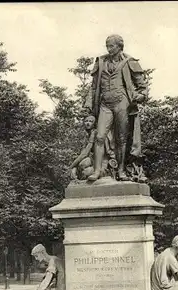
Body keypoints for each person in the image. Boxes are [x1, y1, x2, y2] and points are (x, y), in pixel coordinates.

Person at [85, 34, 148, 182]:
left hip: (122, 103)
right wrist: (88, 104)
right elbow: (93, 87)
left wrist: (141, 95)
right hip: (105, 104)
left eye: (111, 46)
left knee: (121, 139)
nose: (108, 48)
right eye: (107, 45)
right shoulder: (101, 61)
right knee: (100, 136)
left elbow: (142, 85)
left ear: (119, 46)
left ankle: (121, 171)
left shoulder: (129, 61)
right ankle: (97, 171)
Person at [70, 115, 117, 180]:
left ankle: (103, 173)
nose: (88, 123)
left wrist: (71, 166)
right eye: (86, 121)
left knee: (85, 173)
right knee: (82, 165)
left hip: (103, 161)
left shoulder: (96, 133)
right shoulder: (87, 135)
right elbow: (83, 153)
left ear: (94, 124)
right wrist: (75, 167)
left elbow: (85, 153)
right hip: (93, 159)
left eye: (90, 121)